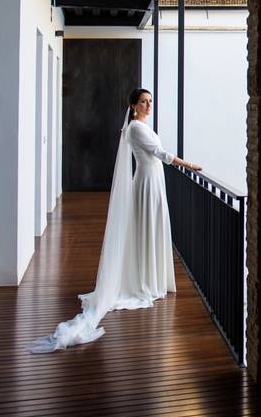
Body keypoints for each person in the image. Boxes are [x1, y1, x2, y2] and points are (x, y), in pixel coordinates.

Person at [26, 88, 201, 353]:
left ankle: (151, 278)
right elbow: (160, 154)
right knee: (148, 229)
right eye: (143, 101)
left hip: (153, 181)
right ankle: (146, 281)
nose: (148, 104)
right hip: (147, 183)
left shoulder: (141, 125)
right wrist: (189, 165)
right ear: (133, 106)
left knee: (152, 229)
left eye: (150, 101)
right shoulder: (136, 128)